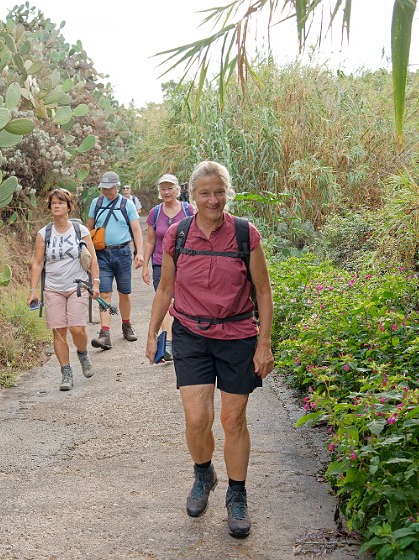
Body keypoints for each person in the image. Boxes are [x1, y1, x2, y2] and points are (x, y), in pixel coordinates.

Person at [145, 161, 274, 539]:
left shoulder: (245, 233)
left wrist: (263, 344)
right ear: (193, 196)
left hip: (237, 336)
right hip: (191, 335)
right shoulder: (178, 234)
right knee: (197, 417)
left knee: (233, 421)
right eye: (205, 193)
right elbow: (165, 288)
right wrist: (153, 332)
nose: (213, 199)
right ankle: (204, 474)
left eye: (219, 192)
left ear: (226, 192)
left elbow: (263, 291)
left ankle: (237, 496)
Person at [29, 188, 100, 391]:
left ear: (69, 206)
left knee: (77, 328)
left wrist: (95, 283)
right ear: (50, 208)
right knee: (59, 332)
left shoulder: (80, 231)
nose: (57, 206)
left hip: (77, 286)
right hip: (53, 288)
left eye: (61, 202)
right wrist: (33, 290)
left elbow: (93, 259)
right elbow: (37, 263)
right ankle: (66, 372)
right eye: (53, 203)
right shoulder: (44, 234)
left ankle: (83, 352)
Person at [86, 171, 144, 350]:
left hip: (123, 253)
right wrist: (87, 253)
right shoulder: (97, 203)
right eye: (103, 188)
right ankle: (105, 334)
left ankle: (126, 325)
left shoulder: (127, 204)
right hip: (101, 254)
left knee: (124, 292)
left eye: (108, 188)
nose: (105, 191)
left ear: (117, 187)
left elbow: (136, 230)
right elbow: (88, 229)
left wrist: (139, 253)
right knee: (104, 293)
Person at [141, 173, 194, 361]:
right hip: (160, 265)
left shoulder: (188, 210)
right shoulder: (155, 213)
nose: (166, 192)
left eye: (170, 188)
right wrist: (145, 265)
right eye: (163, 188)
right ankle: (168, 343)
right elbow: (150, 241)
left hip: (185, 265)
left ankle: (175, 341)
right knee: (166, 302)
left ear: (177, 190)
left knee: (181, 303)